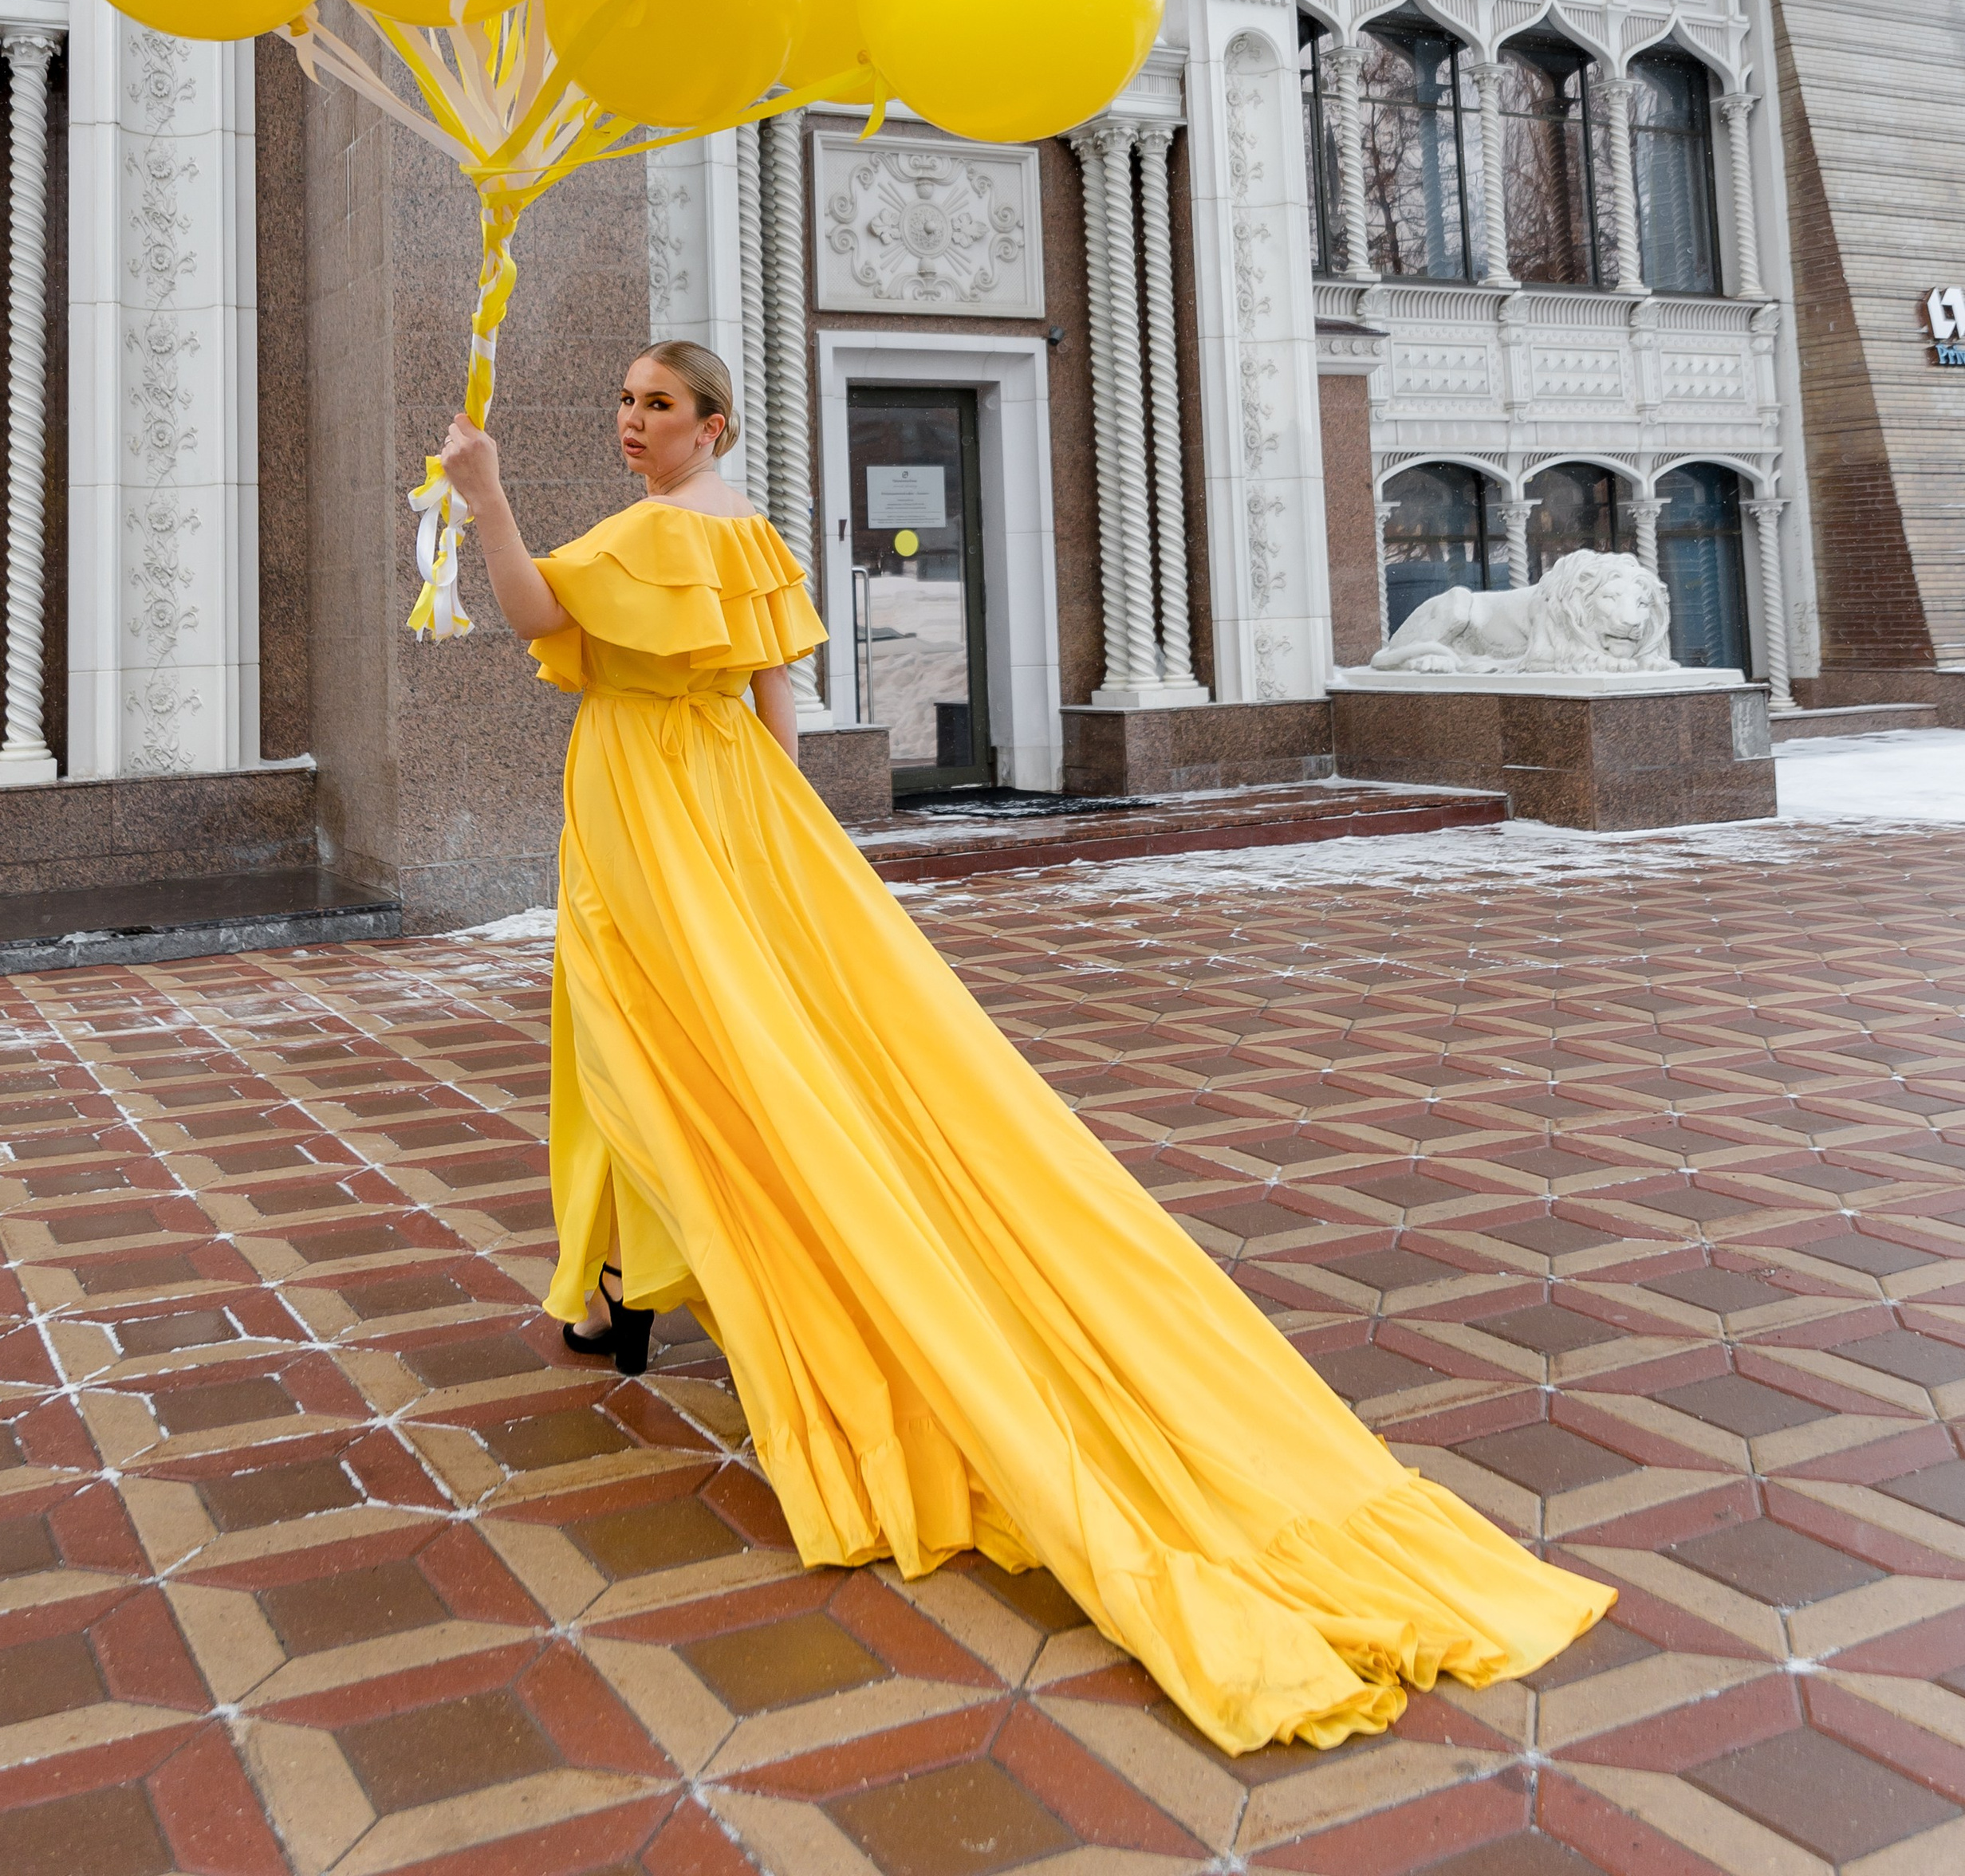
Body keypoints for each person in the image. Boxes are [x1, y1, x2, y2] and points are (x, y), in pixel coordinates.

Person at [435, 344, 1610, 1758]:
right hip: (727, 805)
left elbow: (532, 608)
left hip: (647, 796)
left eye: (656, 408)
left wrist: (485, 495)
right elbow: (773, 709)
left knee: (647, 1036)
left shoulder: (654, 535)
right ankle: (612, 1281)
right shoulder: (741, 535)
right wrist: (790, 841)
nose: (631, 425)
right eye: (623, 403)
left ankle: (632, 1284)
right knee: (705, 1035)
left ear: (712, 425)